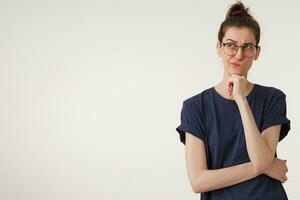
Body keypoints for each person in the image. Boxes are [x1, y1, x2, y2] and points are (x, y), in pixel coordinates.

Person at [175, 1, 291, 200]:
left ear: (257, 52)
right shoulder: (195, 107)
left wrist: (241, 99)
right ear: (219, 48)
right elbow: (198, 181)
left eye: (247, 47)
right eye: (231, 45)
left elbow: (262, 159)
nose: (239, 54)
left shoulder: (273, 98)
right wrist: (264, 167)